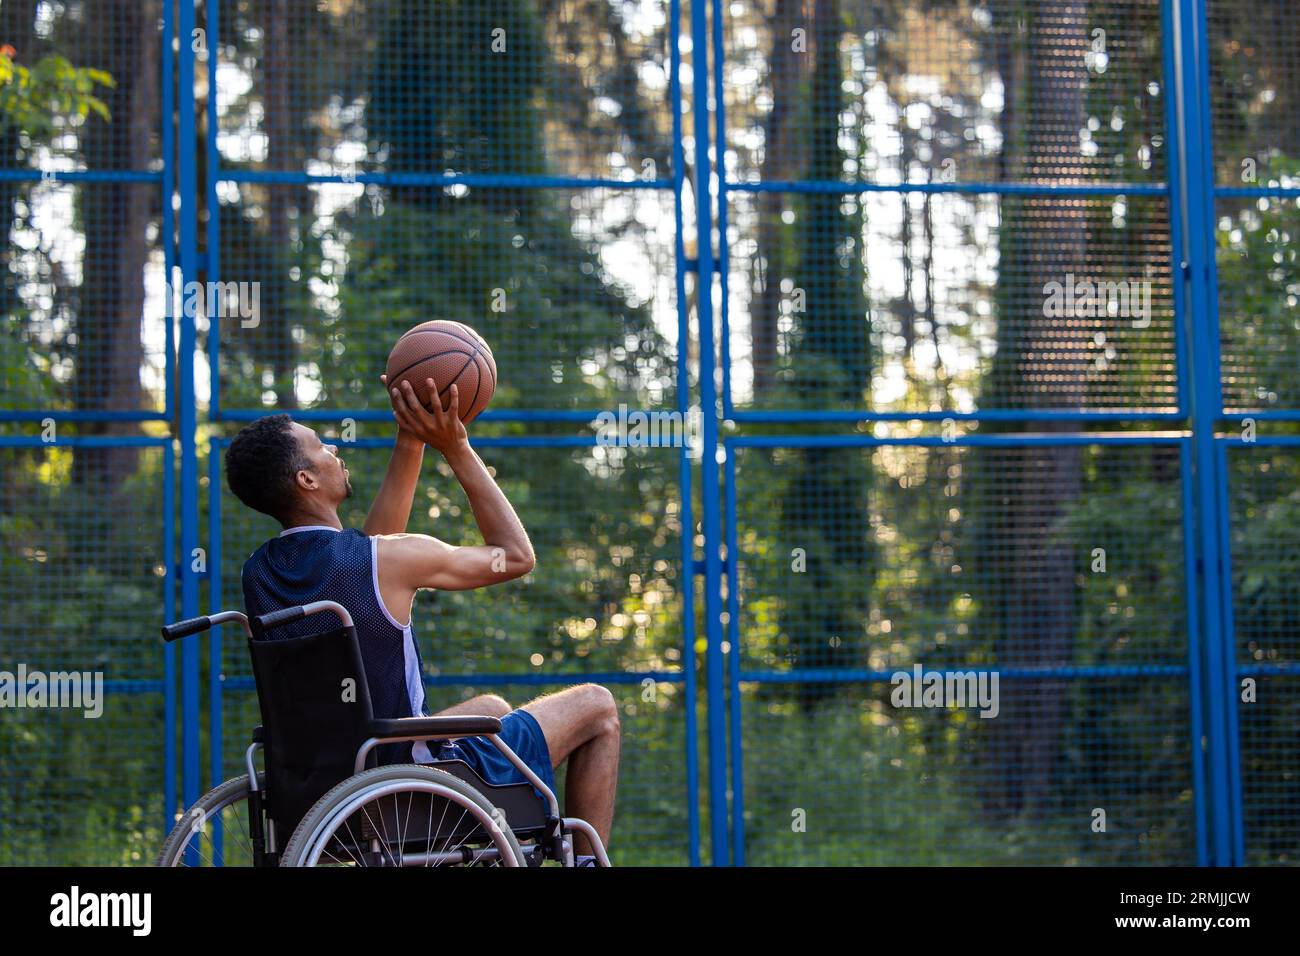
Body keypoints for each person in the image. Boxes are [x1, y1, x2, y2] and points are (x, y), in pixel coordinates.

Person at [225, 376, 618, 861]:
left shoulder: (260, 573)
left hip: (317, 787)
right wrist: (456, 447)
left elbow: (364, 560)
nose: (332, 448)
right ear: (306, 480)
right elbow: (515, 556)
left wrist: (410, 441)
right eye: (319, 446)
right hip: (408, 785)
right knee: (597, 707)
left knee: (493, 707)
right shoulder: (387, 560)